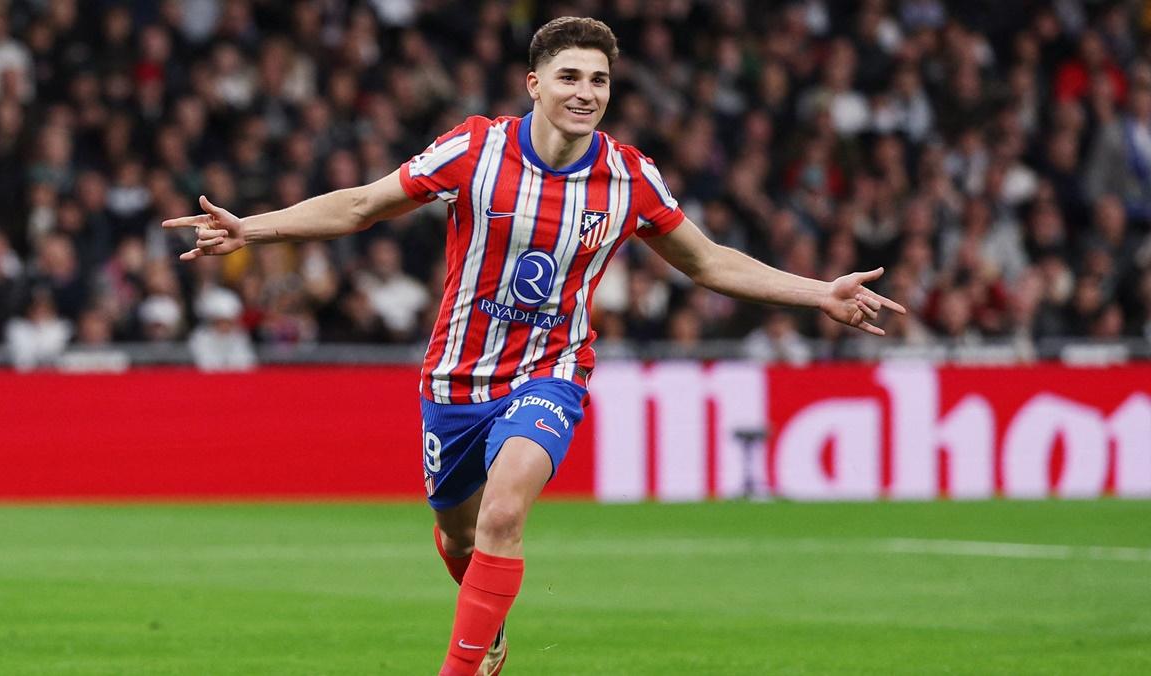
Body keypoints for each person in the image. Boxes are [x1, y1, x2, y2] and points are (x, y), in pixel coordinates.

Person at [163, 17, 905, 675]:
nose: (586, 92)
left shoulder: (629, 177)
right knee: (459, 535)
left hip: (551, 371)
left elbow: (707, 261)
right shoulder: (474, 150)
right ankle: (487, 627)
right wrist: (253, 228)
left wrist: (818, 292)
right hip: (455, 379)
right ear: (535, 83)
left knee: (504, 512)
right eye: (571, 76)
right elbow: (362, 204)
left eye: (600, 80)